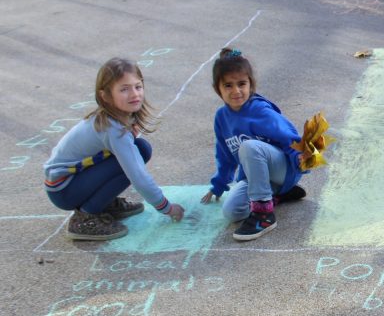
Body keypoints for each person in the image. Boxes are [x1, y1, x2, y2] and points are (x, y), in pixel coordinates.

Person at [44, 58, 185, 241]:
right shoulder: (113, 129)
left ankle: (102, 203)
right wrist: (166, 207)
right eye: (124, 89)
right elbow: (138, 176)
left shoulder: (114, 120)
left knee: (141, 149)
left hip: (69, 182)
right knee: (133, 158)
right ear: (105, 95)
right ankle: (86, 217)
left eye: (138, 86)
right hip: (64, 190)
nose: (134, 94)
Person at [200, 48, 307, 241]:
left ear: (251, 84)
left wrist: (300, 158)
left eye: (242, 84)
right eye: (228, 85)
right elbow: (224, 155)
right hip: (258, 177)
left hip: (283, 168)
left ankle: (264, 215)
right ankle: (279, 195)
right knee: (232, 212)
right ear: (218, 89)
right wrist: (219, 184)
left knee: (249, 147)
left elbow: (289, 136)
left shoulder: (259, 110)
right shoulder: (221, 117)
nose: (236, 91)